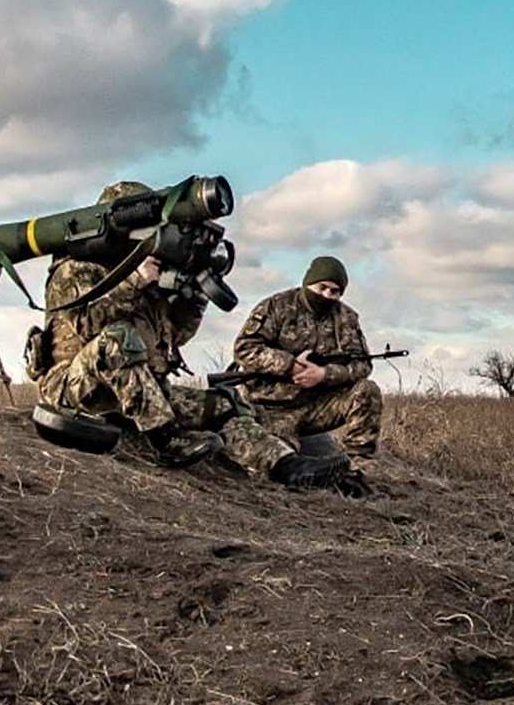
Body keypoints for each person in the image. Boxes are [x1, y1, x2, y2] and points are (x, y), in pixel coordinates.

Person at [34, 181, 351, 489]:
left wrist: (194, 299)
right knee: (118, 335)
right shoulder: (76, 268)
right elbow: (86, 325)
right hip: (76, 390)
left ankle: (287, 466)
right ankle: (167, 442)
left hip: (142, 394)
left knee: (227, 404)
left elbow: (175, 338)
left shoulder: (147, 269)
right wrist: (135, 282)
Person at [229, 255, 385, 458]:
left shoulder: (346, 317)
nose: (327, 295)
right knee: (280, 460)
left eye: (335, 291)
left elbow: (363, 365)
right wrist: (290, 366)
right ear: (308, 283)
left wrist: (324, 374)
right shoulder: (276, 306)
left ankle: (356, 469)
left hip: (317, 407)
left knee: (367, 390)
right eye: (322, 287)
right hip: (271, 407)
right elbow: (244, 348)